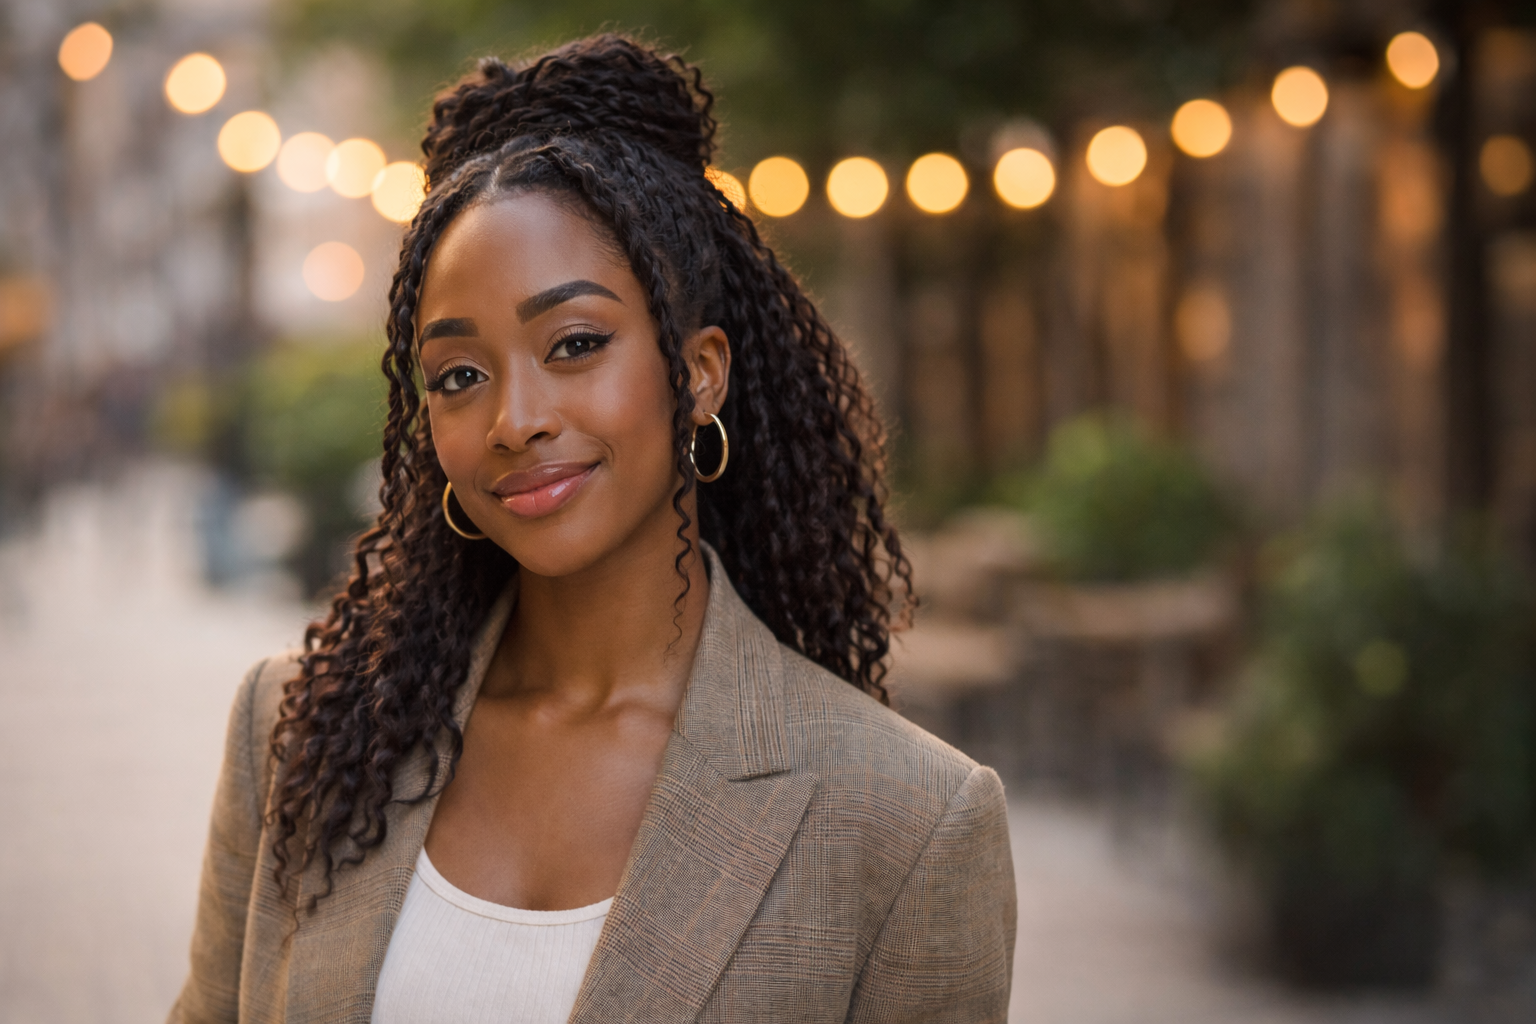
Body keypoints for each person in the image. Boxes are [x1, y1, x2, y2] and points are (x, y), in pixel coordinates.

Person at [169, 34, 1015, 1024]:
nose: (514, 417)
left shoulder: (904, 822)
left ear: (698, 373)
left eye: (574, 344)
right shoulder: (301, 733)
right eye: (458, 375)